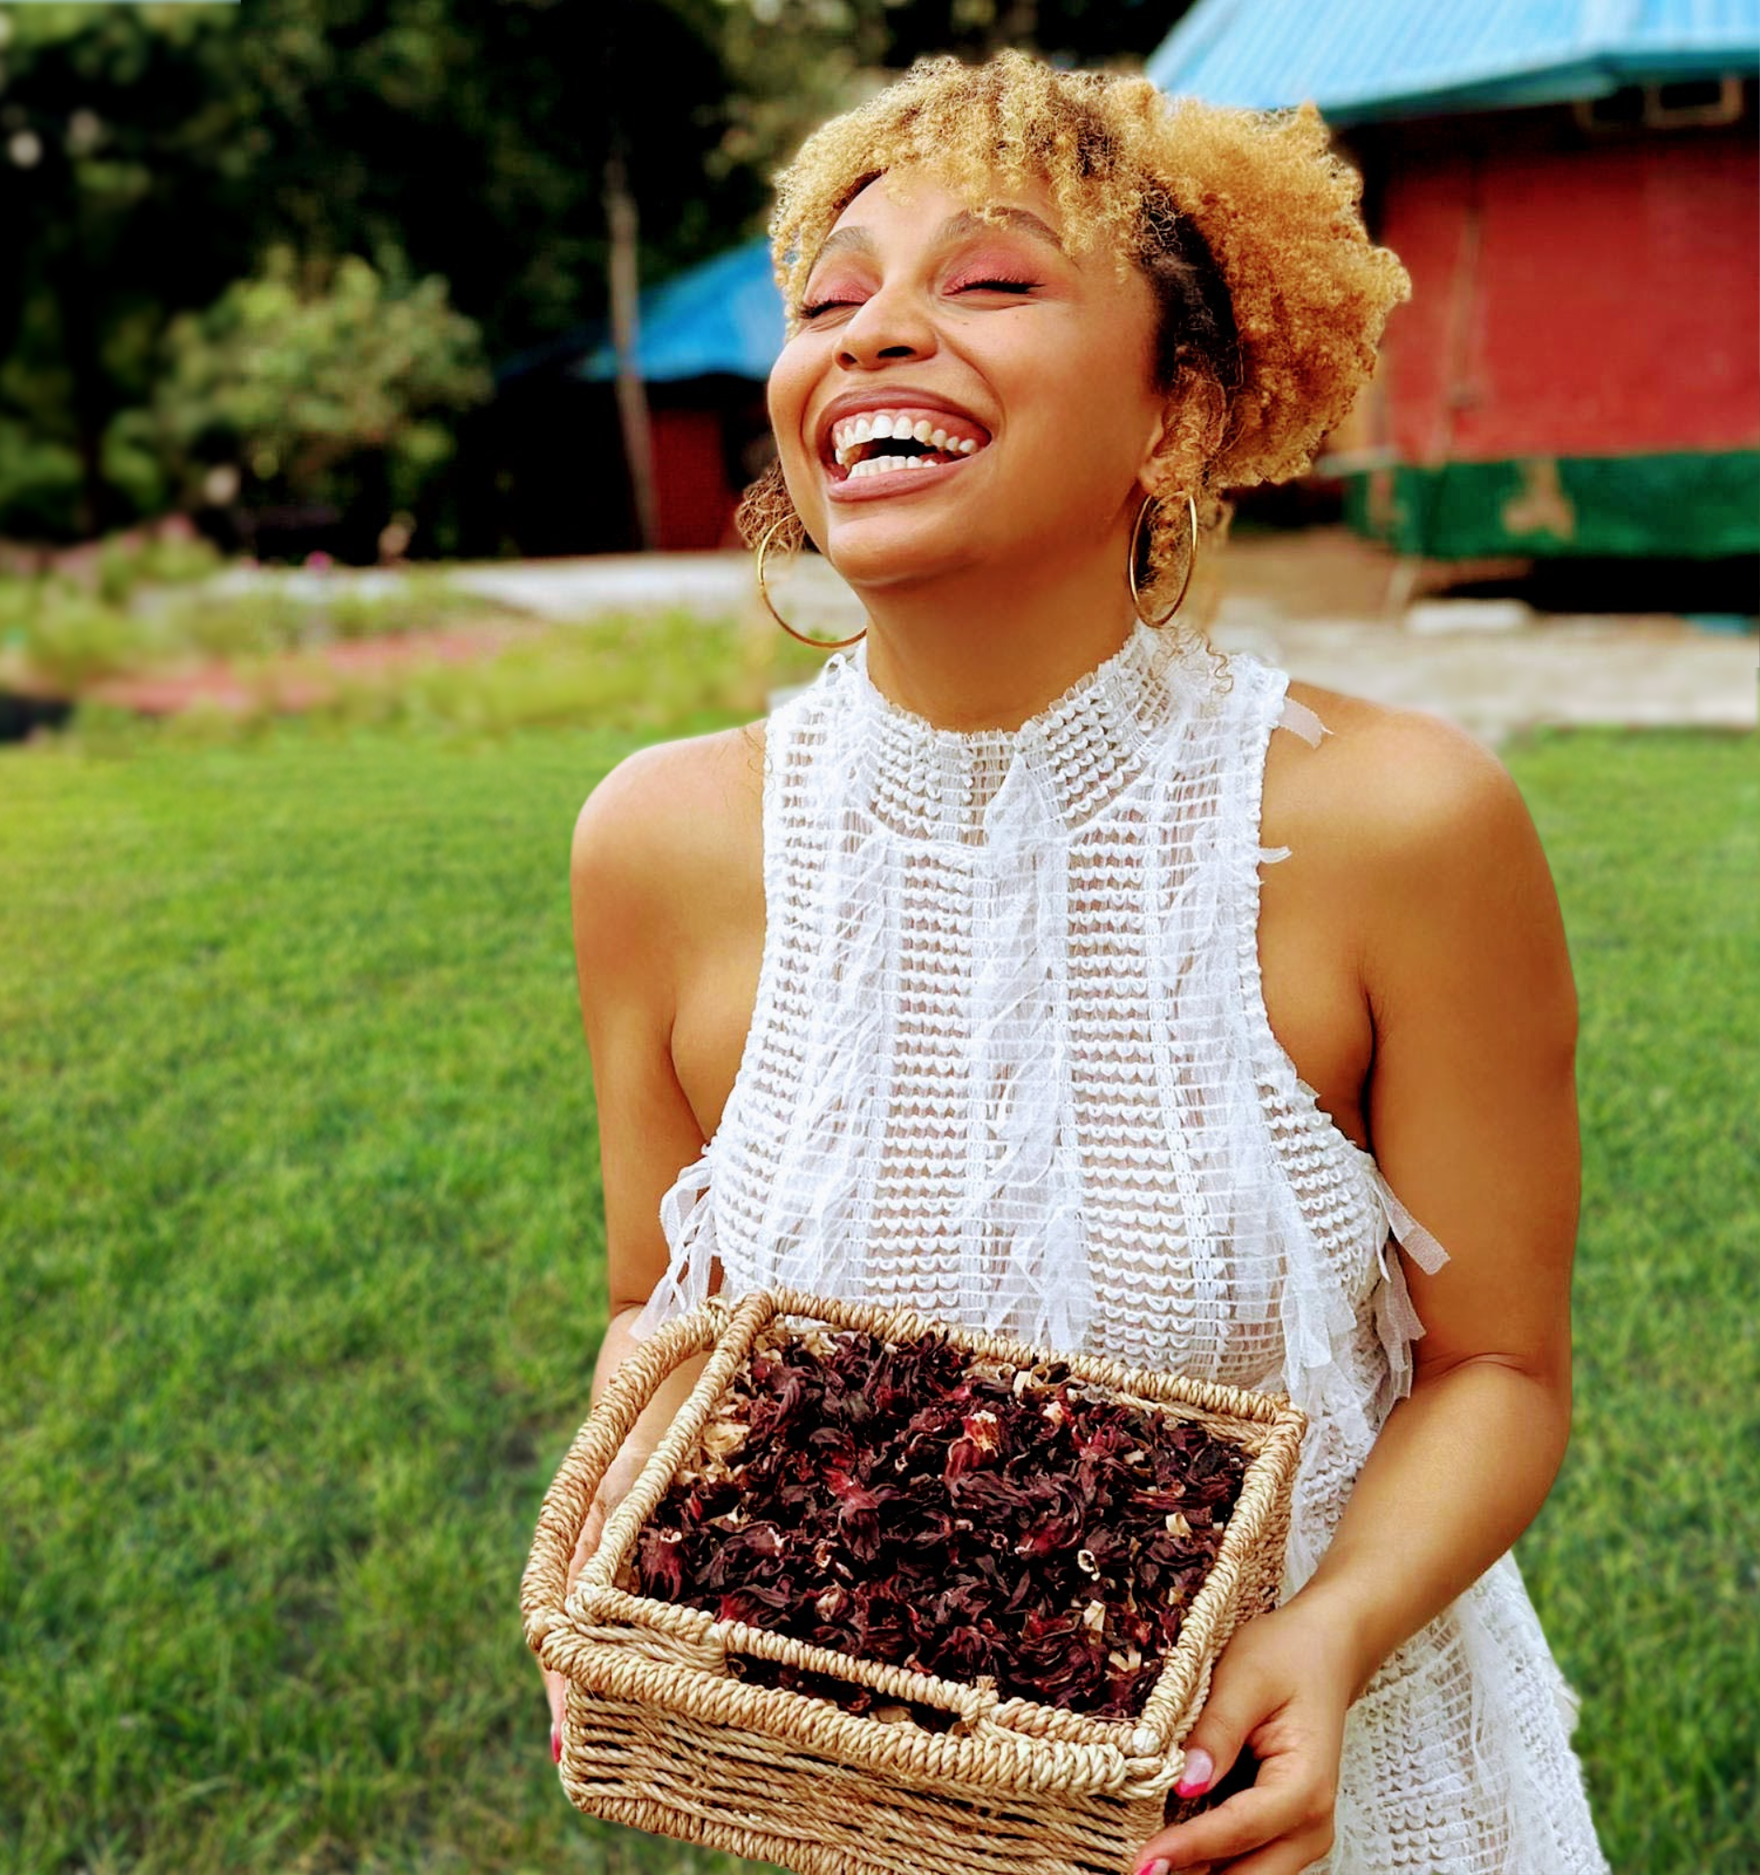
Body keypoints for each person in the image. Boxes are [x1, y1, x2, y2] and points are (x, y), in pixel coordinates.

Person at [542, 50, 1606, 1875]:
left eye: (990, 280)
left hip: (1333, 1808)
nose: (872, 338)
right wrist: (623, 1557)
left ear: (1177, 406)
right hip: (890, 1827)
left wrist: (1325, 1632)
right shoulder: (657, 842)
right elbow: (665, 1322)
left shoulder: (1404, 825)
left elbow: (1498, 1365)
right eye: (831, 299)